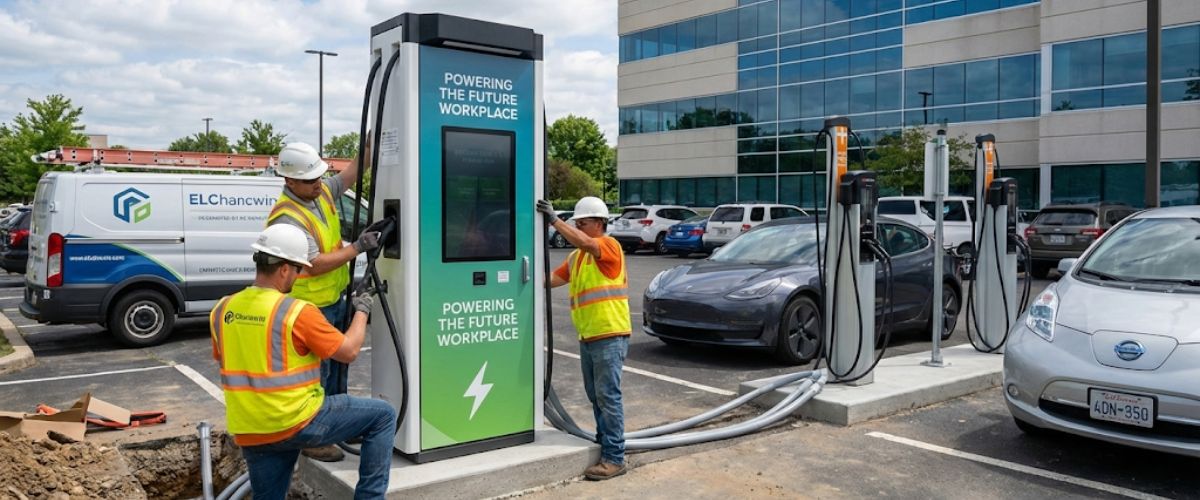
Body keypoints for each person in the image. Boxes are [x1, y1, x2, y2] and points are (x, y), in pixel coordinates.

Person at [209, 224, 395, 499]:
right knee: (383, 415)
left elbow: (232, 357)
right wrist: (362, 310)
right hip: (299, 421)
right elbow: (349, 351)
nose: (298, 276)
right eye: (298, 269)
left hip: (251, 430)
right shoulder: (296, 311)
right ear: (284, 269)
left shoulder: (222, 308)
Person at [268, 142, 380, 462]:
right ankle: (314, 438)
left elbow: (354, 171)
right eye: (310, 179)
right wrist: (358, 246)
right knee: (317, 376)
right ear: (290, 182)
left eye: (320, 175)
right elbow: (313, 264)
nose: (319, 182)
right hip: (307, 307)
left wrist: (374, 130)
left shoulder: (322, 192)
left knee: (337, 373)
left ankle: (339, 426)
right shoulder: (287, 218)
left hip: (333, 299)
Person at [538, 196, 630, 481]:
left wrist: (554, 220)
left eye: (583, 222)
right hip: (589, 335)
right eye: (576, 222)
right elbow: (550, 279)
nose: (578, 226)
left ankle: (614, 457)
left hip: (609, 333)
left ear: (600, 223)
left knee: (608, 397)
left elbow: (588, 243)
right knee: (596, 396)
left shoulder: (608, 246)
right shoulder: (576, 257)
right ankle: (605, 445)